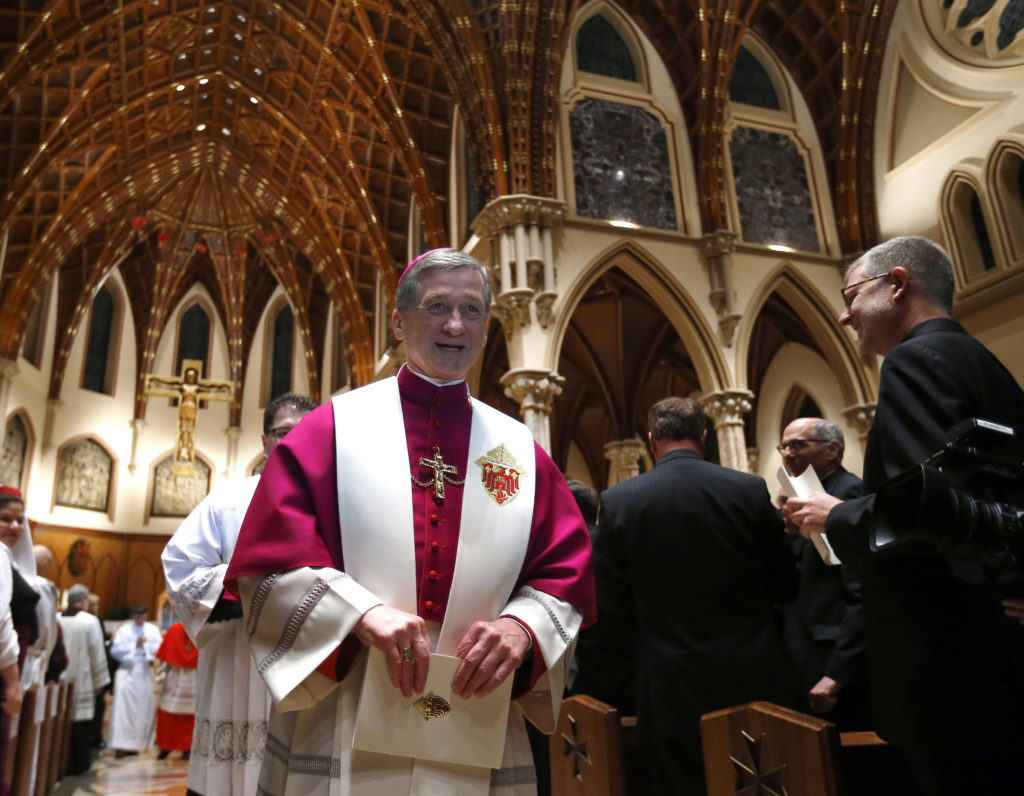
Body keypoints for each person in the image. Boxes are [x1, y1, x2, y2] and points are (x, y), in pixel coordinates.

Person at [224, 248, 595, 796]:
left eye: (471, 310)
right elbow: (269, 562)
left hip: (475, 715)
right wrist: (357, 613)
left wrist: (521, 629)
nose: (454, 325)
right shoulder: (333, 429)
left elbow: (565, 570)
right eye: (437, 306)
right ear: (398, 323)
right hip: (348, 707)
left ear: (487, 328)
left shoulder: (520, 449)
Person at [782, 236, 1024, 793]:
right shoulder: (980, 360)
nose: (844, 315)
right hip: (994, 645)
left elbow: (932, 510)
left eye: (851, 295)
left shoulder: (916, 360)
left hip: (953, 662)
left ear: (896, 284)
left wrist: (837, 515)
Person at [583, 397, 798, 794]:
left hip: (668, 685)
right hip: (750, 676)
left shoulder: (620, 501)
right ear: (703, 435)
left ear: (651, 441)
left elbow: (610, 608)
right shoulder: (748, 489)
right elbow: (787, 583)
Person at [162, 391, 315, 795]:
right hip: (237, 660)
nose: (294, 441)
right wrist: (255, 588)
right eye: (283, 433)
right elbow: (181, 573)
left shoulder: (335, 503)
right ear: (265, 441)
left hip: (311, 666)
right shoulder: (227, 503)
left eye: (307, 433)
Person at [775, 418, 869, 728]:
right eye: (784, 446)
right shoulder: (804, 495)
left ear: (832, 450)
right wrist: (788, 529)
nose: (788, 453)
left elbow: (863, 593)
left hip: (837, 662)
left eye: (798, 444)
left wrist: (835, 676)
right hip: (803, 656)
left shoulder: (848, 495)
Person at [58, 584, 110, 775]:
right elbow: (97, 651)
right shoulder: (89, 621)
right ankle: (79, 763)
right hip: (82, 678)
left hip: (59, 681)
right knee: (80, 723)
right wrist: (100, 681)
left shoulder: (57, 617)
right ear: (84, 601)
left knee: (60, 722)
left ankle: (59, 762)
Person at [108, 605, 161, 758]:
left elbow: (158, 648)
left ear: (146, 615)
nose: (139, 620)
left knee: (142, 709)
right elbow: (115, 651)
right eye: (137, 617)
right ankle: (120, 745)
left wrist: (145, 647)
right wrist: (134, 645)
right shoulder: (124, 630)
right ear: (132, 616)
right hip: (127, 673)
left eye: (142, 617)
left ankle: (138, 744)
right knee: (123, 710)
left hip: (144, 673)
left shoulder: (152, 629)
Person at [154, 622, 198, 761]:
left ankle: (187, 748)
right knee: (168, 712)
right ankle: (166, 746)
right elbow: (165, 655)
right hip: (175, 676)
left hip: (194, 676)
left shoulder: (201, 629)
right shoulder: (174, 630)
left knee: (190, 714)